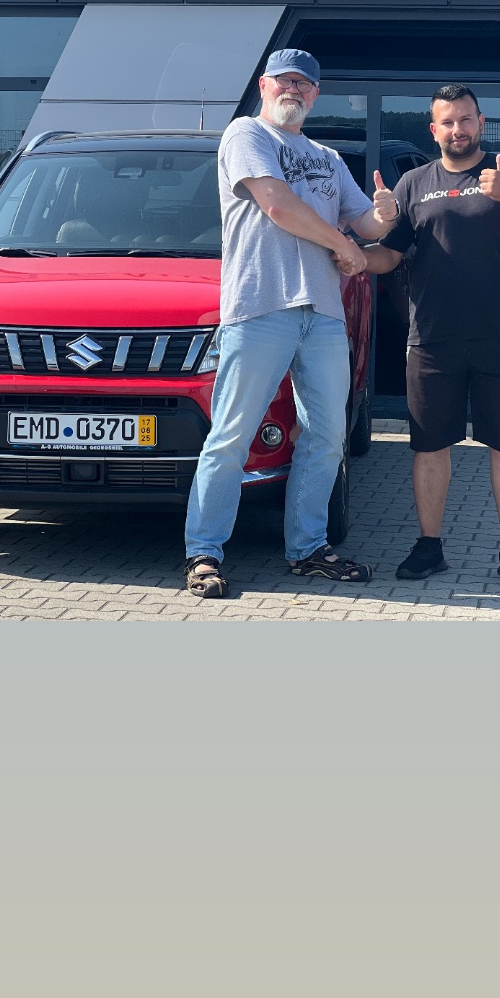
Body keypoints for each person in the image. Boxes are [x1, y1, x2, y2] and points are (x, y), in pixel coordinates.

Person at [184, 48, 398, 597]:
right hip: (261, 307)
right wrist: (343, 246)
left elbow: (366, 224)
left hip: (322, 315)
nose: (293, 90)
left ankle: (308, 550)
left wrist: (385, 214)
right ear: (264, 85)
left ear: (316, 94)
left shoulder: (327, 157)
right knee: (231, 435)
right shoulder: (246, 135)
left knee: (327, 435)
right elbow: (276, 204)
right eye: (284, 81)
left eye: (304, 83)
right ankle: (204, 552)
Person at [359, 85, 500, 588]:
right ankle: (430, 547)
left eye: (466, 119)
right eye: (447, 122)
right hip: (432, 339)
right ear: (434, 130)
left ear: (481, 122)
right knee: (429, 447)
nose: (458, 130)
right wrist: (353, 253)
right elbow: (390, 256)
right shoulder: (414, 183)